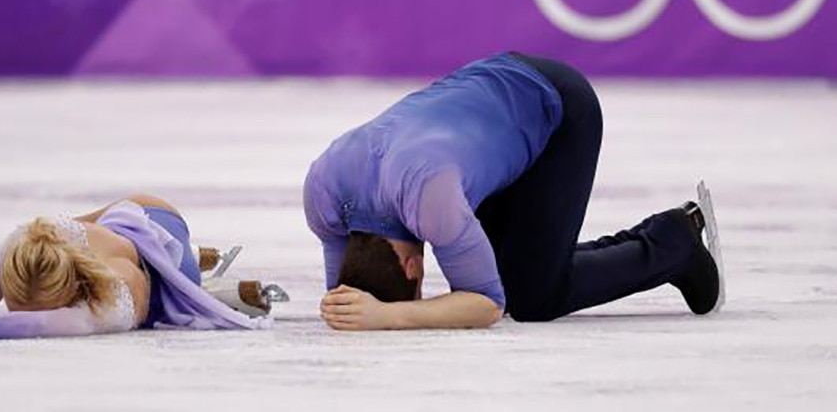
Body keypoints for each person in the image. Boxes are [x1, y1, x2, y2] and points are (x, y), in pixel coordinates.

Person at [305, 52, 724, 330]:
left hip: (559, 110)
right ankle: (664, 238)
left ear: (414, 269)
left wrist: (391, 316)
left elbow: (489, 304)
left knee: (533, 298)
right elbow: (341, 295)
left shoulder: (429, 199)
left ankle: (673, 243)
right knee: (518, 273)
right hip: (489, 91)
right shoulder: (322, 189)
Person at [0, 194, 285, 343]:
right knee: (50, 225)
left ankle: (187, 257)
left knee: (170, 302)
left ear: (76, 291)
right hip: (125, 214)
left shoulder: (116, 291)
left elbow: (54, 323)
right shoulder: (31, 242)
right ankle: (186, 250)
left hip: (156, 223)